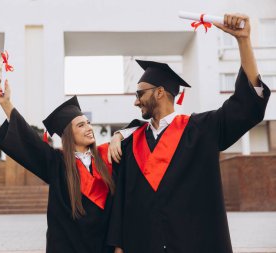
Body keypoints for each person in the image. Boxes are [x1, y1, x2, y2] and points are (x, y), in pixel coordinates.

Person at [107, 13, 270, 253]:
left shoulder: (203, 129)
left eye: (139, 94)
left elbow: (247, 107)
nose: (136, 102)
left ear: (160, 92)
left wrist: (243, 41)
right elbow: (120, 201)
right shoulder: (131, 143)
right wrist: (118, 246)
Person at [0, 80, 116, 253]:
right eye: (81, 125)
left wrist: (118, 135)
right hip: (69, 247)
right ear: (68, 134)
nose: (89, 128)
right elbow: (30, 141)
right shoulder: (56, 163)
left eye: (88, 123)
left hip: (104, 246)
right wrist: (7, 104)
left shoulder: (107, 158)